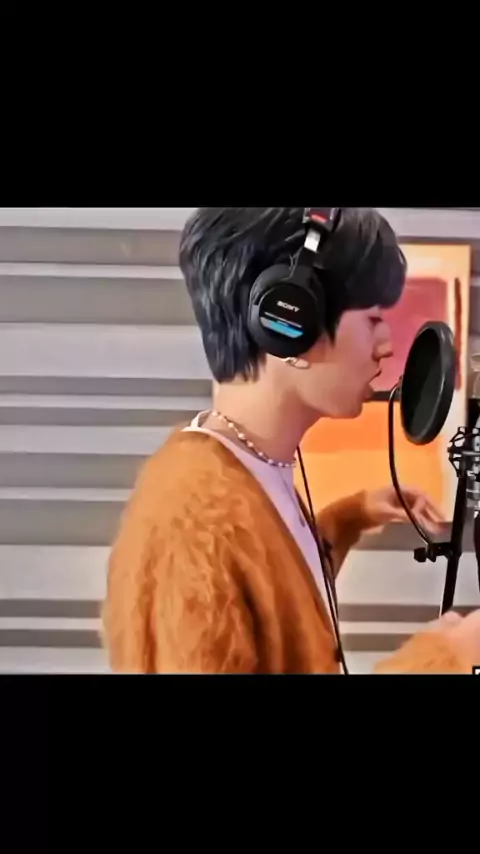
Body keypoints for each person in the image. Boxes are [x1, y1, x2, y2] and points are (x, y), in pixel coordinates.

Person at [102, 207, 480, 674]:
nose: (385, 345)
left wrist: (353, 515)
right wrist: (444, 659)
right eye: (372, 320)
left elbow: (274, 607)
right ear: (291, 322)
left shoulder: (246, 472)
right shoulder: (190, 526)